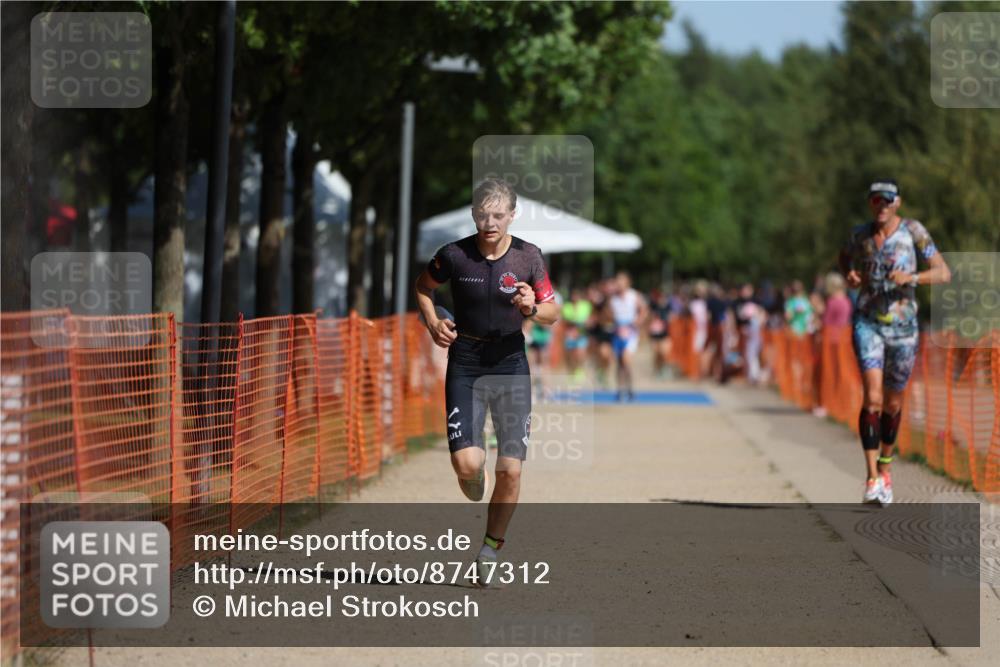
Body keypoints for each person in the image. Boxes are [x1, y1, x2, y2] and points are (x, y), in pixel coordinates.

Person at [414, 178, 559, 584]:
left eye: (498, 214)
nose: (489, 222)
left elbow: (552, 312)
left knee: (511, 469)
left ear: (512, 215)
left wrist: (533, 307)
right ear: (474, 214)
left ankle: (491, 548)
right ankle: (471, 475)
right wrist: (432, 321)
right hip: (466, 360)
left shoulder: (528, 257)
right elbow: (423, 288)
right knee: (468, 464)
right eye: (482, 214)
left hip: (510, 361)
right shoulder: (454, 255)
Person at [838, 179, 950, 505]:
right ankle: (872, 478)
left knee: (893, 403)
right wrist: (850, 273)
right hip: (868, 322)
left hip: (903, 327)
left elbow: (943, 272)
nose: (882, 206)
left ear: (897, 203)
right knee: (872, 398)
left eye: (888, 200)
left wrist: (912, 278)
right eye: (876, 200)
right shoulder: (860, 234)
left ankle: (886, 466)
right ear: (871, 203)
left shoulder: (913, 232)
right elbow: (844, 257)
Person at [608, 271, 647, 401]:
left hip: (630, 332)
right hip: (618, 332)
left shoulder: (634, 295)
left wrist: (635, 323)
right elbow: (608, 315)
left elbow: (644, 311)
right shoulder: (613, 299)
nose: (619, 284)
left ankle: (630, 388)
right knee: (619, 363)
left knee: (626, 360)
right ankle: (620, 390)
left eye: (621, 281)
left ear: (627, 283)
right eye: (617, 281)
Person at [561, 288, 592, 383]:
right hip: (569, 335)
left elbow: (590, 319)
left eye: (577, 295)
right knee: (570, 356)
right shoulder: (566, 306)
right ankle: (571, 372)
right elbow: (565, 320)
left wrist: (585, 323)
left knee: (580, 354)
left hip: (581, 335)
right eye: (573, 295)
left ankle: (578, 371)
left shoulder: (586, 306)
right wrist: (575, 322)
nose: (575, 297)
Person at [647, 287, 674, 379]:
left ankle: (664, 369)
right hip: (654, 334)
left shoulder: (668, 307)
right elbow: (648, 319)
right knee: (656, 353)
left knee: (664, 352)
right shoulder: (653, 306)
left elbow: (672, 318)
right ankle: (657, 369)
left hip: (664, 333)